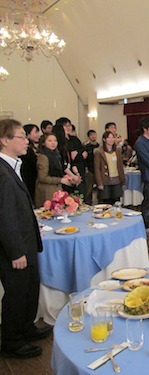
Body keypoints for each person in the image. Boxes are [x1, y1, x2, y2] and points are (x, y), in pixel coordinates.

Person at [0, 119, 51, 359]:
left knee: (30, 288)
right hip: (15, 247)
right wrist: (16, 251)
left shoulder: (13, 166)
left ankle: (26, 327)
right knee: (17, 293)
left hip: (26, 241)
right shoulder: (1, 171)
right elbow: (4, 216)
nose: (27, 141)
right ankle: (11, 341)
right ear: (4, 140)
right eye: (20, 136)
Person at [35, 133, 77, 207]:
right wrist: (60, 180)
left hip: (56, 188)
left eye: (55, 140)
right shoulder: (43, 156)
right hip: (47, 190)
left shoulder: (56, 155)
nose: (53, 143)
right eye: (50, 141)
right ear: (43, 143)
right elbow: (42, 177)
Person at [94, 131, 126, 205]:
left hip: (116, 180)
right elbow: (97, 169)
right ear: (104, 139)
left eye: (113, 137)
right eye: (109, 137)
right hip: (105, 180)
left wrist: (123, 181)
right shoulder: (99, 152)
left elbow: (120, 166)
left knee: (116, 202)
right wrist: (99, 183)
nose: (111, 139)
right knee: (105, 202)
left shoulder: (117, 151)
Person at [20, 124, 40, 201]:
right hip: (29, 180)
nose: (38, 135)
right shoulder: (27, 150)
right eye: (36, 132)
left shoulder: (34, 148)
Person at [83, 130, 99, 204]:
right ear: (89, 137)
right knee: (89, 188)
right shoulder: (86, 147)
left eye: (94, 134)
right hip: (90, 169)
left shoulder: (99, 146)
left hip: (99, 169)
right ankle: (88, 203)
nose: (93, 136)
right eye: (91, 135)